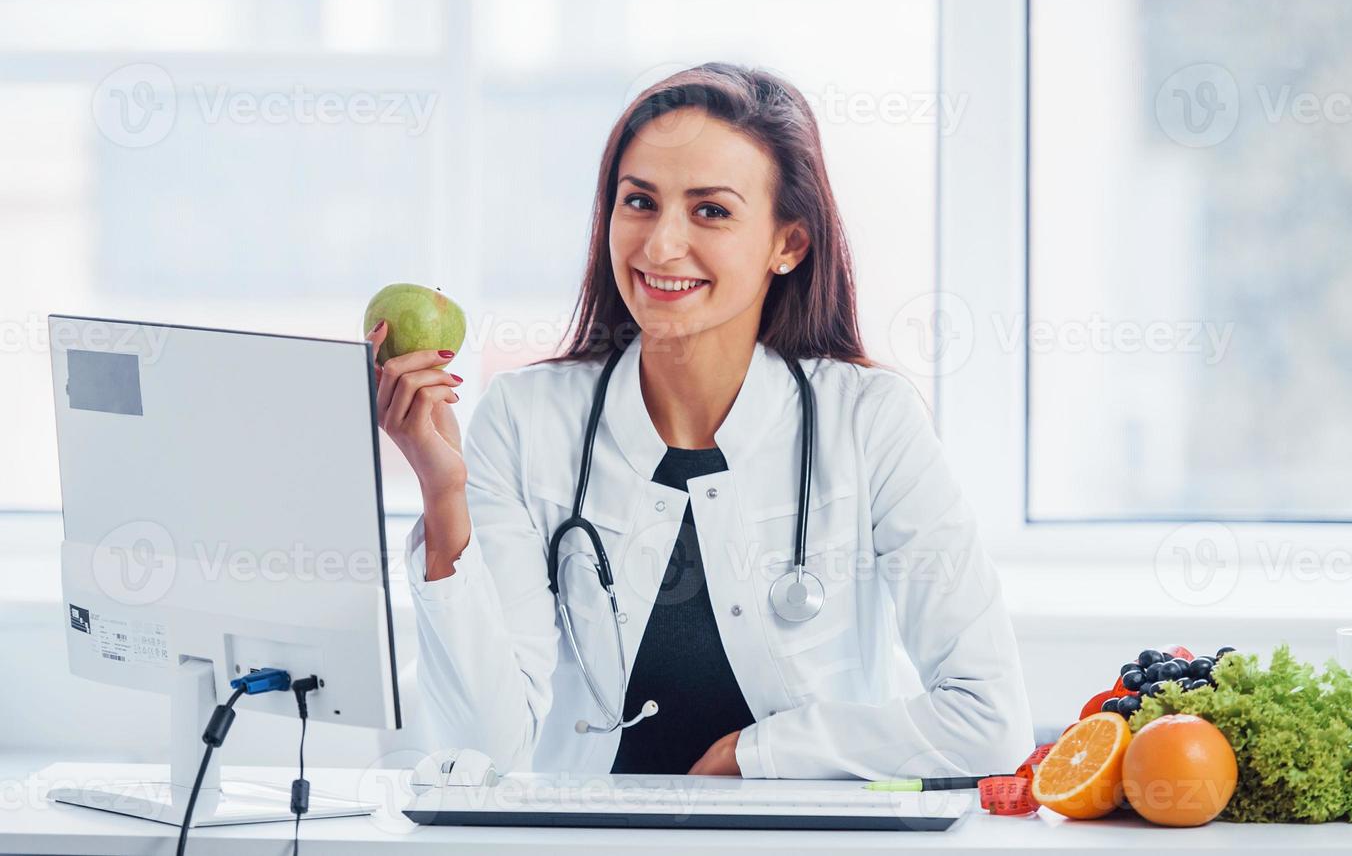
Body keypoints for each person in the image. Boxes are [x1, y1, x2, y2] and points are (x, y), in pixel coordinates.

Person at [372, 63, 1033, 779]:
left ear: (790, 244)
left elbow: (989, 722)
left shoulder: (870, 422)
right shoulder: (526, 418)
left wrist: (759, 756)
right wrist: (444, 502)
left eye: (711, 210)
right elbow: (489, 753)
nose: (659, 247)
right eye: (640, 202)